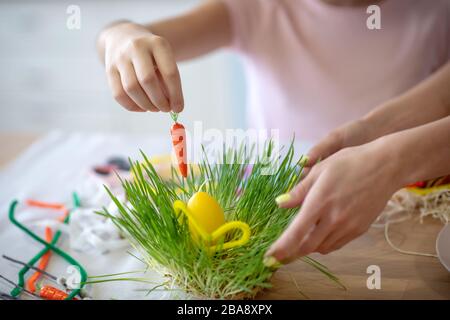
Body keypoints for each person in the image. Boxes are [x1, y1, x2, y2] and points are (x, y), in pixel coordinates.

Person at [96, 0, 450, 262]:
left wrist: (388, 161)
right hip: (280, 205)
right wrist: (119, 36)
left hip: (408, 215)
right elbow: (125, 36)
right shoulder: (255, 7)